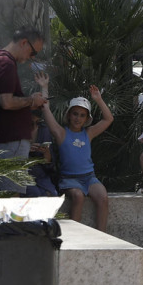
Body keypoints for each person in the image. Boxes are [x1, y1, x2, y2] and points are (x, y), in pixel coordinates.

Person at [34, 76, 115, 232]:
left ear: (86, 119)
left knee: (103, 197)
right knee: (78, 196)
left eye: (82, 115)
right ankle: (73, 237)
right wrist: (44, 87)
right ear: (69, 115)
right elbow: (45, 109)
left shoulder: (89, 133)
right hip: (69, 179)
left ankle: (102, 236)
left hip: (89, 177)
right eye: (75, 114)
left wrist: (98, 99)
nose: (78, 118)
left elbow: (108, 119)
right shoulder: (61, 133)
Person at [0, 26, 48, 194]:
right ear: (24, 43)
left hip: (7, 141)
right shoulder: (6, 63)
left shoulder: (0, 61)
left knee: (6, 199)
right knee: (11, 200)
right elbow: (6, 102)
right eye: (33, 53)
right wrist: (31, 100)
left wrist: (30, 102)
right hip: (11, 142)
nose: (32, 58)